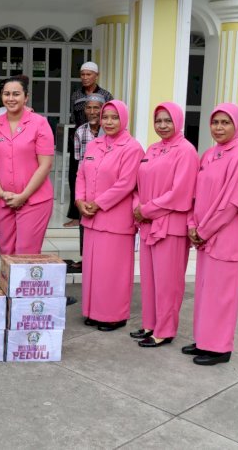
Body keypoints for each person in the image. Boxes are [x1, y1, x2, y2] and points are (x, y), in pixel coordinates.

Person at [183, 103, 238, 365]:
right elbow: (197, 193)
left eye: (225, 122)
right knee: (206, 291)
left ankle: (219, 348)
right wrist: (194, 225)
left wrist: (203, 230)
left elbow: (232, 204)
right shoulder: (210, 154)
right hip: (206, 235)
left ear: (237, 125)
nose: (218, 128)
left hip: (228, 237)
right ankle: (204, 340)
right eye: (215, 122)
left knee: (223, 294)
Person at [129, 102, 199, 348]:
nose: (162, 125)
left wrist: (145, 209)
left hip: (170, 226)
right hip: (148, 224)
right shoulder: (153, 148)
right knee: (149, 279)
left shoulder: (186, 151)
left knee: (168, 283)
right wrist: (138, 206)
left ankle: (165, 330)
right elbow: (139, 183)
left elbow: (180, 192)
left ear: (178, 121)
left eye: (168, 120)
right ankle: (150, 324)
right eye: (158, 120)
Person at [75, 99, 143, 331]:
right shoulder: (94, 144)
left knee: (113, 271)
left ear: (123, 119)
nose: (109, 122)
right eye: (106, 117)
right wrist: (80, 200)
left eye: (114, 117)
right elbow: (81, 174)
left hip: (115, 220)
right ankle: (93, 311)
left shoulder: (132, 147)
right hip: (92, 219)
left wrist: (98, 204)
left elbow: (126, 183)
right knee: (93, 269)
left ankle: (114, 315)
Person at [0, 76, 54, 255]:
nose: (11, 98)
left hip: (34, 200)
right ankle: (8, 284)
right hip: (3, 199)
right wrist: (1, 193)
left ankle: (22, 285)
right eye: (6, 94)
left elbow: (45, 165)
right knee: (6, 251)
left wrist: (23, 196)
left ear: (26, 97)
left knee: (26, 252)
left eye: (16, 94)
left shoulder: (40, 123)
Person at [65, 61, 113, 228]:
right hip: (80, 138)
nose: (85, 78)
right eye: (82, 74)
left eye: (88, 74)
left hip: (100, 138)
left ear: (96, 75)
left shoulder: (106, 95)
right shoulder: (76, 94)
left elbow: (111, 115)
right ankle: (75, 214)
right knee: (75, 176)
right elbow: (73, 116)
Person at [67, 93, 105, 272]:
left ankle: (101, 257)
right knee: (85, 221)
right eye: (88, 108)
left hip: (106, 185)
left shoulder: (110, 128)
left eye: (96, 108)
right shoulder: (80, 131)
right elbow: (78, 162)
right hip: (87, 184)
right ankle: (85, 257)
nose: (92, 111)